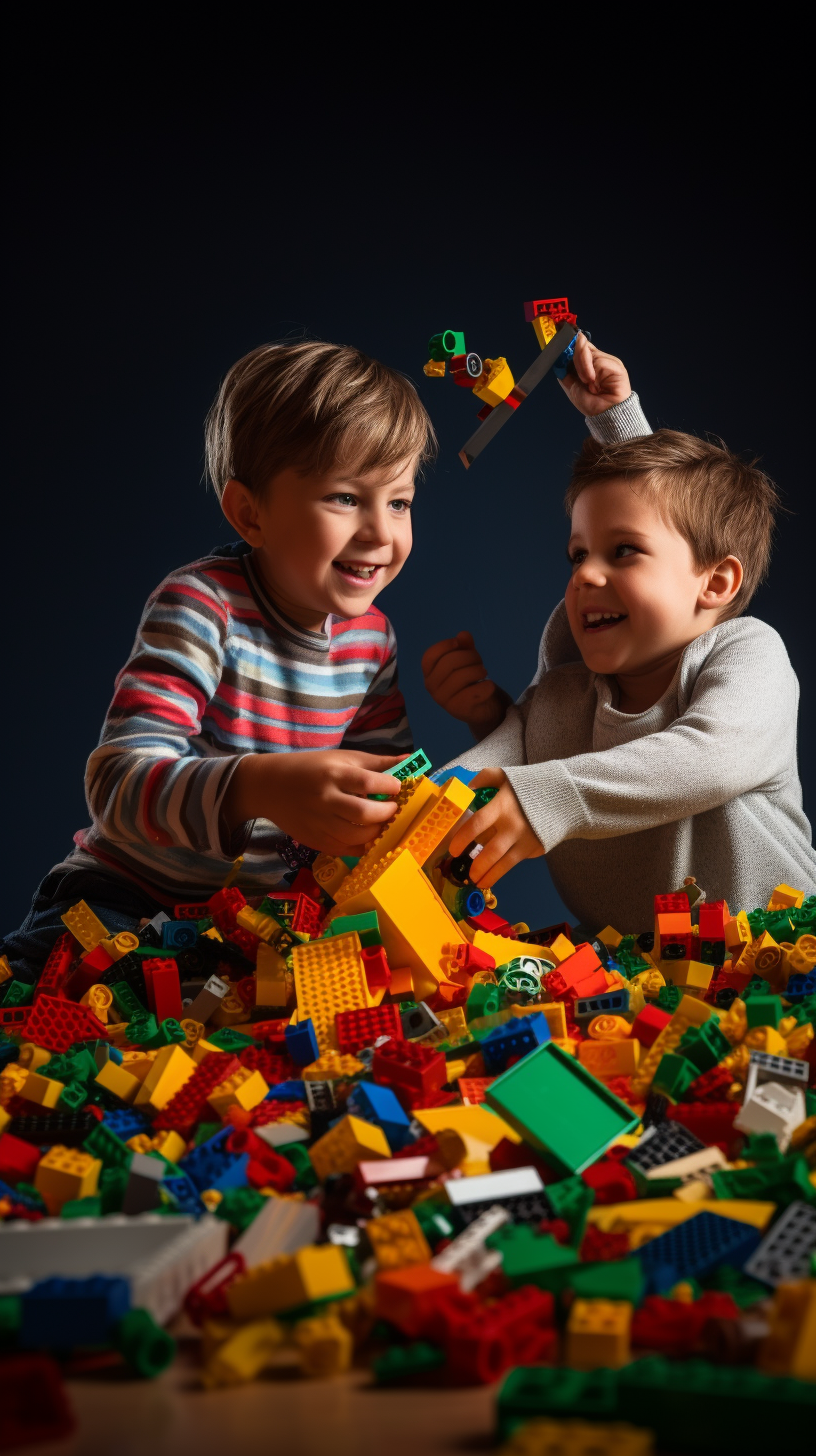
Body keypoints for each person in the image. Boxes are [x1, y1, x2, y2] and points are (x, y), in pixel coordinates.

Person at [2, 341, 434, 974]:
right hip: (127, 901)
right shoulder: (203, 607)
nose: (380, 532)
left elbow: (387, 779)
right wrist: (257, 786)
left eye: (398, 501)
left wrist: (438, 783)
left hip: (252, 927)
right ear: (249, 513)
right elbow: (115, 784)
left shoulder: (373, 639)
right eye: (345, 497)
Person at [423, 336, 816, 932]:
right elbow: (484, 773)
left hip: (779, 953)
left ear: (716, 584)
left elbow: (707, 757)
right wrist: (419, 809)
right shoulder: (560, 701)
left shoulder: (746, 655)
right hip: (634, 972)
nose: (585, 573)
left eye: (622, 552)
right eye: (576, 554)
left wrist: (552, 795)